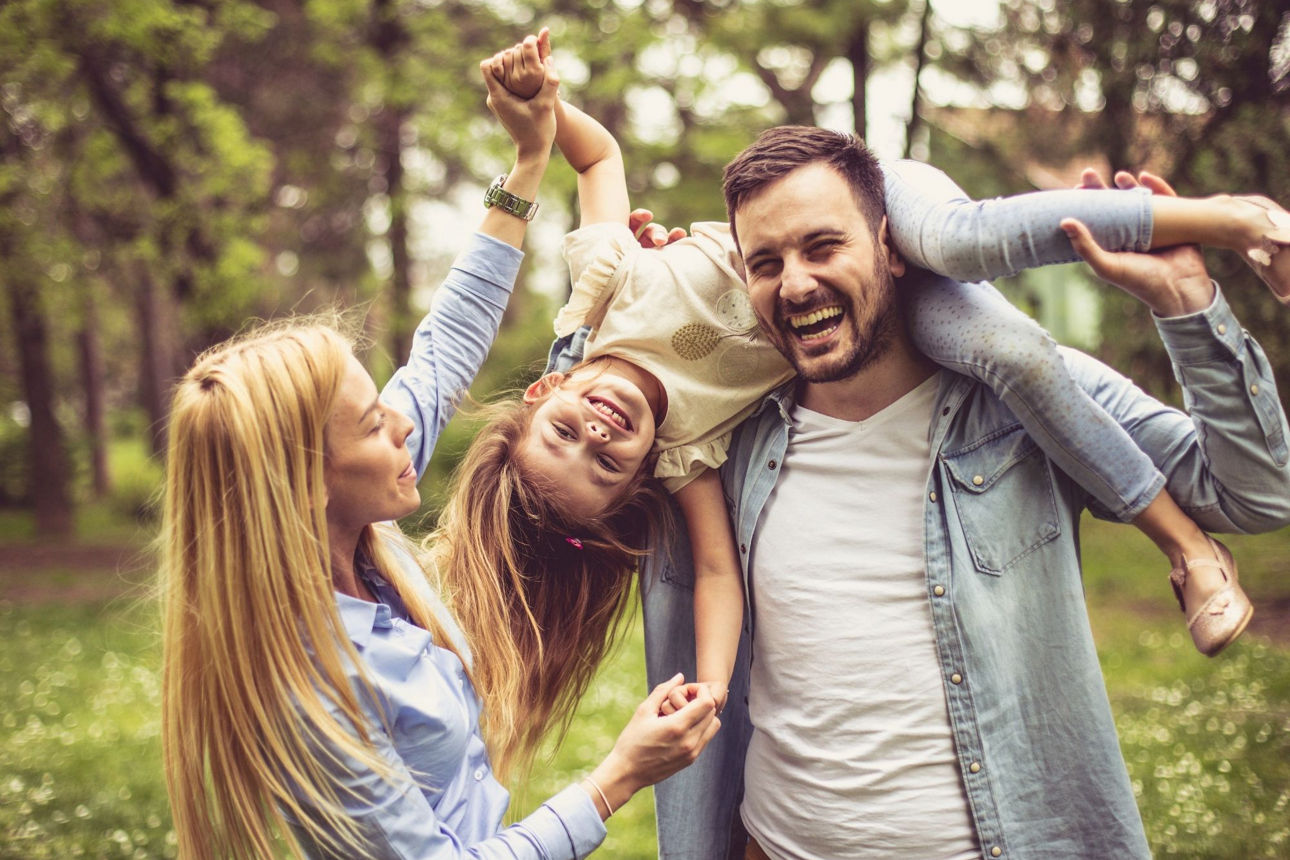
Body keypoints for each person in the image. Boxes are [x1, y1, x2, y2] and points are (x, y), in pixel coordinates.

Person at [469, 30, 1289, 722]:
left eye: (566, 432)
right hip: (851, 280)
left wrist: (538, 115)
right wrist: (712, 687)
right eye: (606, 462)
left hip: (852, 191)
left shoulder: (602, 292)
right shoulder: (694, 450)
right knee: (1013, 355)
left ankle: (1232, 217)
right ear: (640, 475)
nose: (599, 434)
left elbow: (598, 155)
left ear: (545, 392)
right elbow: (717, 574)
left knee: (962, 240)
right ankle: (1185, 548)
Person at [624, 129, 1290, 858]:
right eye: (766, 263)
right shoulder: (733, 437)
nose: (795, 284)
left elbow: (1256, 496)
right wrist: (626, 310)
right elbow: (568, 458)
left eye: (822, 247)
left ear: (892, 246)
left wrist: (1187, 305)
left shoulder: (1033, 403)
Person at [158, 40, 719, 860]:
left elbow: (448, 340)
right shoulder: (313, 688)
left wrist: (528, 158)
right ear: (300, 487)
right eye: (371, 424)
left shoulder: (357, 535)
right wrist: (617, 778)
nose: (403, 425)